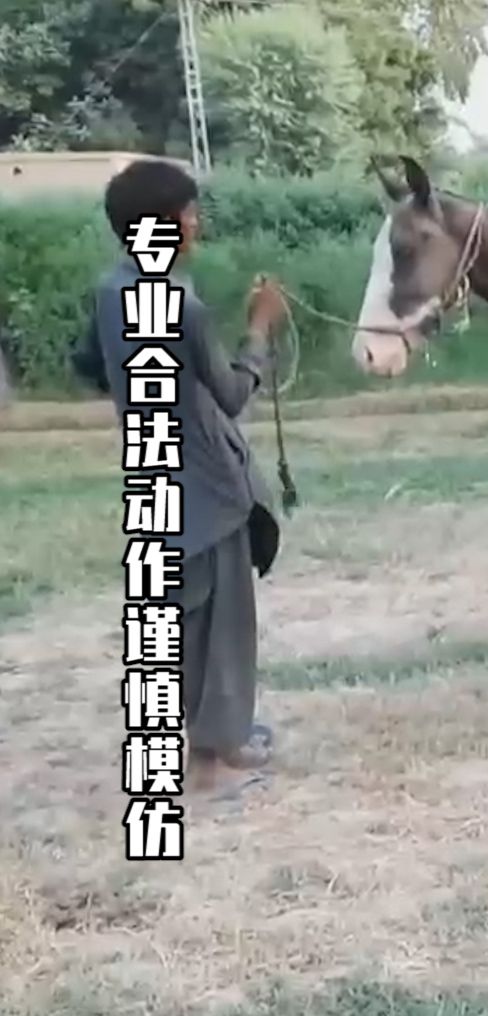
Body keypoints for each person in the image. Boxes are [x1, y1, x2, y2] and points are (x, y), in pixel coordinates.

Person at [71, 158, 289, 797]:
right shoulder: (180, 303)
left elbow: (88, 362)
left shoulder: (111, 290)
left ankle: (205, 745)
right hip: (207, 486)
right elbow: (229, 395)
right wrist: (259, 328)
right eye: (190, 212)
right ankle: (213, 764)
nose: (197, 222)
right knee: (218, 621)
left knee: (177, 620)